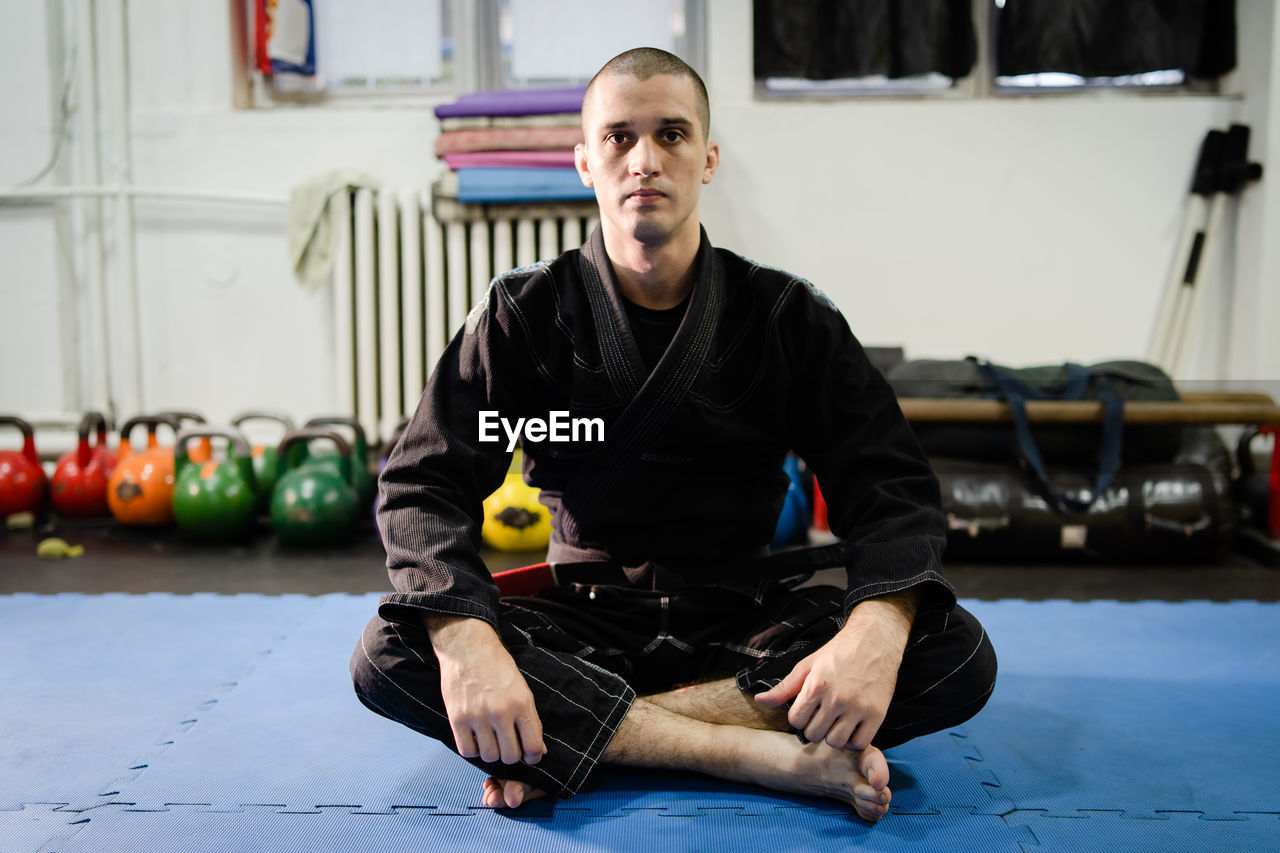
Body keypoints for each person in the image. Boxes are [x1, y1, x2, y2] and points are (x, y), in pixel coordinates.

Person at [351, 47, 996, 824]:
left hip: (742, 614)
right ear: (585, 161)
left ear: (709, 157)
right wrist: (466, 637)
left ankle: (578, 735)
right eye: (619, 137)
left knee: (951, 649)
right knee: (391, 653)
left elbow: (889, 488)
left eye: (672, 134)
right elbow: (424, 484)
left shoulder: (786, 318)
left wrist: (876, 626)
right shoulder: (525, 317)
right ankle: (752, 752)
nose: (645, 160)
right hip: (583, 612)